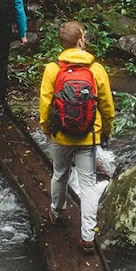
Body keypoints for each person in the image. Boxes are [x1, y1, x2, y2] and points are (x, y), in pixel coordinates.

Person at [38, 21, 116, 253]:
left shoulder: (52, 69)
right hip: (88, 135)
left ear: (62, 44)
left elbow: (45, 104)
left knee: (60, 173)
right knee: (88, 184)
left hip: (61, 135)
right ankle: (87, 237)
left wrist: (46, 129)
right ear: (80, 41)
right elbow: (107, 105)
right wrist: (106, 129)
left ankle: (57, 212)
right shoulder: (95, 69)